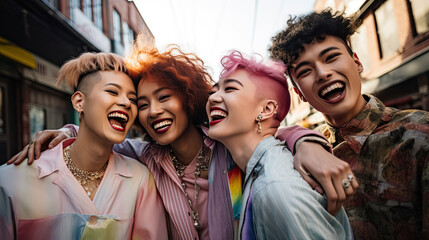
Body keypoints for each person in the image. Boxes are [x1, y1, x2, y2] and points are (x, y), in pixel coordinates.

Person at [8, 41, 357, 238]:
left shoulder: (226, 146)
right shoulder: (145, 157)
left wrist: (306, 140)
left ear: (188, 96)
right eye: (142, 104)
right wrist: (64, 133)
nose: (152, 110)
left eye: (164, 97)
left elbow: (270, 135)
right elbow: (97, 140)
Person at [269, 9, 429, 239]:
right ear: (299, 93)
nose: (323, 73)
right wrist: (295, 138)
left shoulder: (419, 136)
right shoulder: (302, 153)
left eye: (331, 57)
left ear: (357, 63)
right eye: (305, 71)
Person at [0, 52, 167, 239]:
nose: (126, 103)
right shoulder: (10, 181)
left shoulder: (141, 180)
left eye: (133, 99)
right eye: (112, 91)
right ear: (79, 102)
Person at [207, 50, 353, 239]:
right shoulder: (254, 170)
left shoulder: (275, 187)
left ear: (267, 109)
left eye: (230, 89)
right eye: (213, 91)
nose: (212, 98)